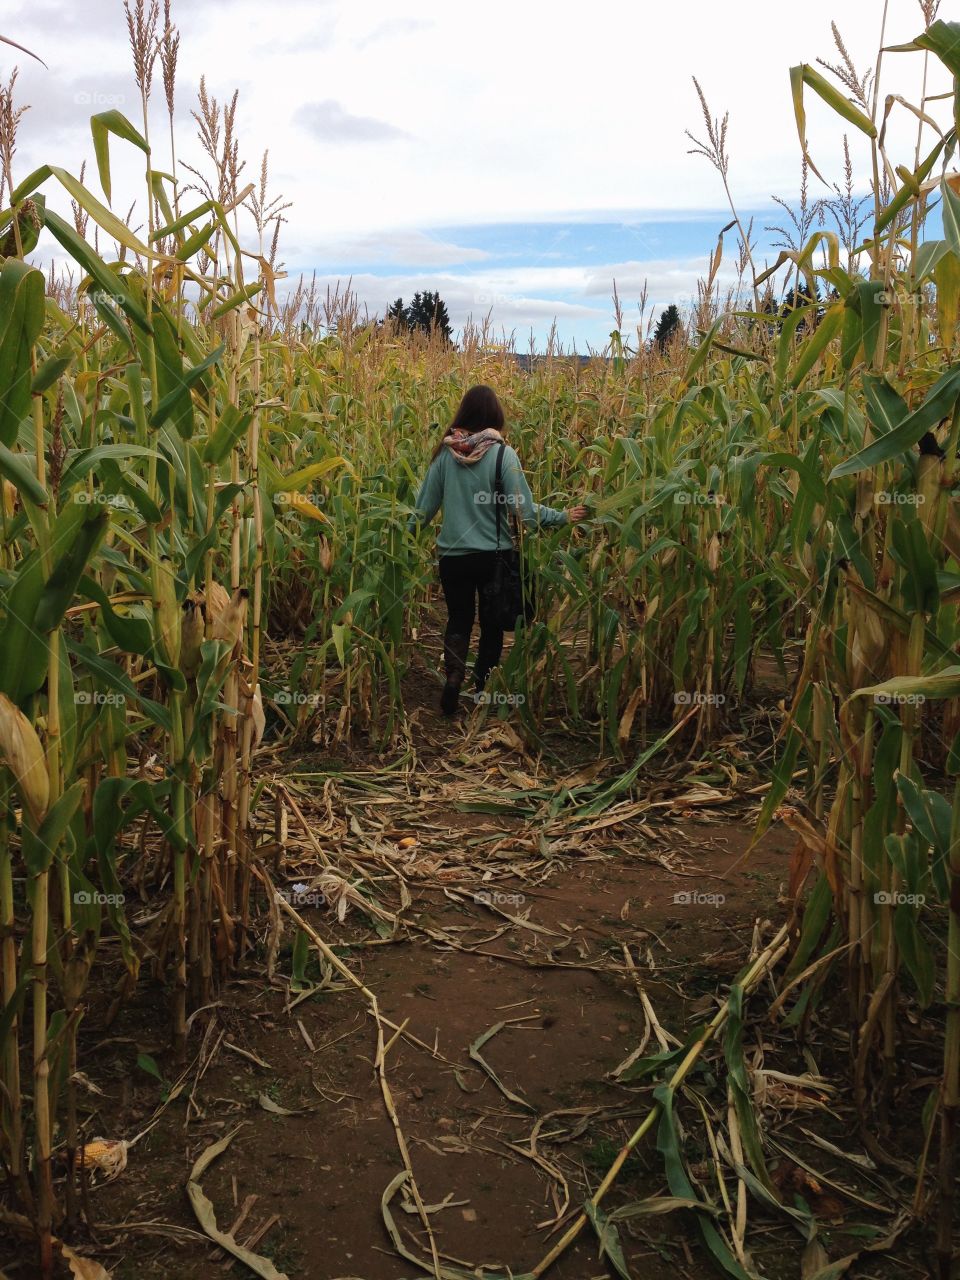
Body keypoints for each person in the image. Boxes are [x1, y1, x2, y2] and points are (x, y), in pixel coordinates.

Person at [408, 385, 588, 716]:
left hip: (453, 558)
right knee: (491, 625)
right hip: (493, 557)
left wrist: (398, 537)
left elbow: (422, 513)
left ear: (463, 413)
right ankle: (482, 689)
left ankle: (453, 678)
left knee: (459, 617)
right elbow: (526, 513)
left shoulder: (445, 456)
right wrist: (562, 517)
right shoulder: (504, 455)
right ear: (495, 416)